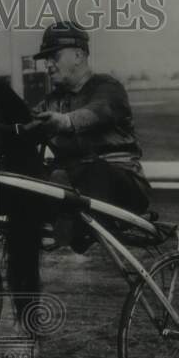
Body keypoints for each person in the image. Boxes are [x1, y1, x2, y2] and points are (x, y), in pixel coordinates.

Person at [23, 21, 151, 252]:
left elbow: (99, 112)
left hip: (124, 187)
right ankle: (65, 224)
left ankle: (71, 226)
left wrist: (64, 121)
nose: (48, 65)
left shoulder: (108, 87)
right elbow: (26, 122)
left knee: (85, 171)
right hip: (77, 187)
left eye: (54, 56)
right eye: (46, 59)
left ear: (79, 55)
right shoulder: (51, 100)